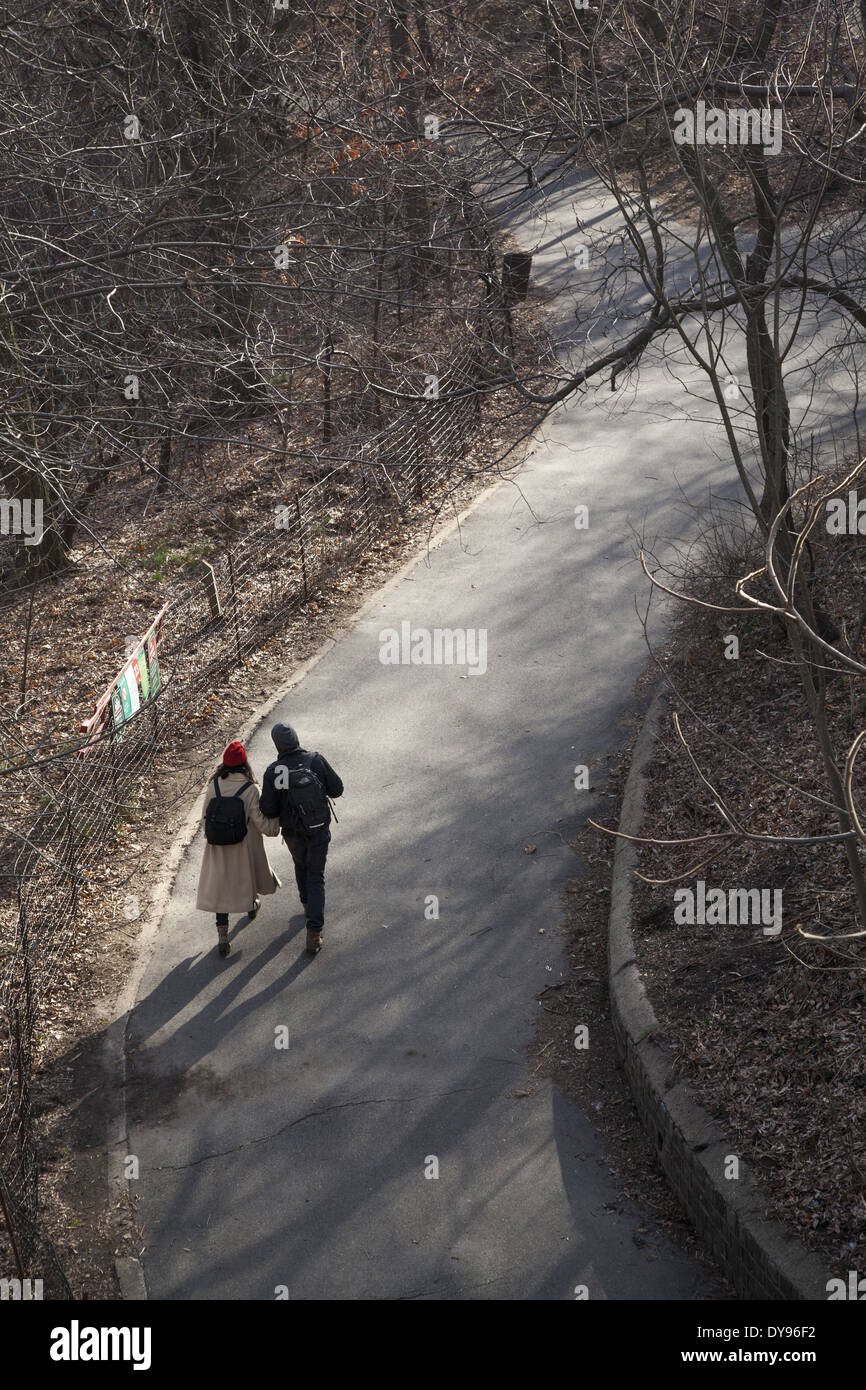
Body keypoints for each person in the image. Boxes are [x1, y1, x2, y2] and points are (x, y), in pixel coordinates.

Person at [259, 722, 343, 956]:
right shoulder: (315, 760)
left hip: (293, 834)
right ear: (296, 738)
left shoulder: (276, 771)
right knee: (316, 876)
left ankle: (307, 905)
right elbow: (337, 789)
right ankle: (314, 933)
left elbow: (268, 809)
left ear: (277, 744)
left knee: (301, 865)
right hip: (318, 830)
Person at [195, 741, 281, 957]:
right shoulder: (250, 789)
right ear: (245, 764)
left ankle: (222, 935)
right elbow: (260, 821)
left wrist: (214, 836)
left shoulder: (214, 786)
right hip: (244, 846)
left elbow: (205, 818)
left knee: (221, 888)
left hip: (218, 846)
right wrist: (275, 826)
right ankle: (251, 906)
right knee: (246, 877)